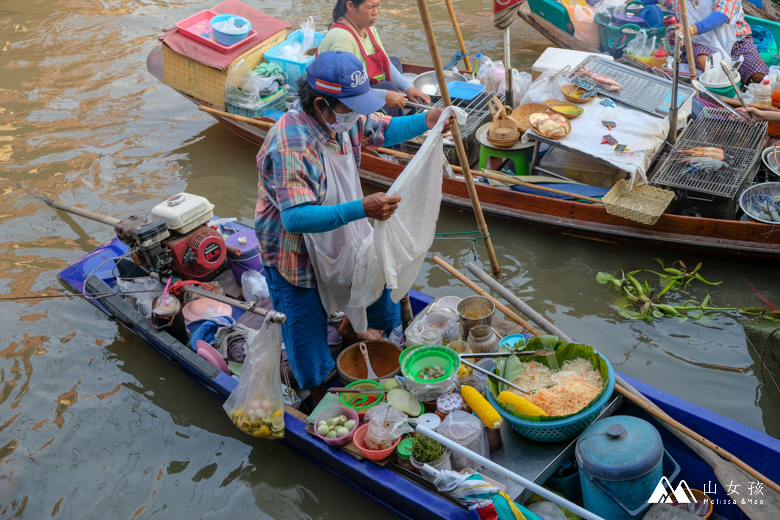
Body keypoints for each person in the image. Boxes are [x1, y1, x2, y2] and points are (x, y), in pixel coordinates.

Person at [255, 51, 452, 402]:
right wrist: (363, 207)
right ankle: (317, 397)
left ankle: (351, 330)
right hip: (294, 254)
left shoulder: (342, 119)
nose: (357, 116)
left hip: (345, 235)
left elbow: (384, 129)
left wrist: (429, 121)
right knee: (308, 341)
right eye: (351, 108)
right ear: (321, 104)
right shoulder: (290, 143)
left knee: (380, 298)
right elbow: (296, 217)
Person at [317, 0, 431, 115]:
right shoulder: (341, 39)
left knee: (394, 62)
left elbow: (385, 62)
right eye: (370, 7)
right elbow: (344, 92)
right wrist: (383, 95)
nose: (376, 12)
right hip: (339, 100)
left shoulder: (368, 27)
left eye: (377, 6)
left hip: (360, 84)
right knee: (389, 87)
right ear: (350, 6)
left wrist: (408, 87)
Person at [666, 0, 767, 84]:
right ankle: (726, 93)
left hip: (737, 42)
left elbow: (722, 14)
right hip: (697, 43)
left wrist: (690, 30)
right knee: (707, 64)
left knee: (758, 76)